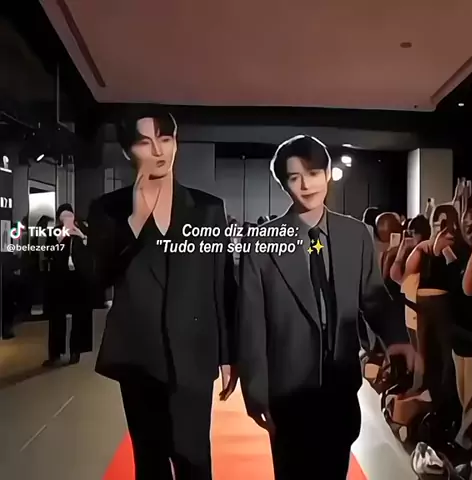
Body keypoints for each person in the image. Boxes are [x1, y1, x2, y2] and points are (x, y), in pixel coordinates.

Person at [237, 135, 417, 480]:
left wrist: (397, 338)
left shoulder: (356, 234)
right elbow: (251, 322)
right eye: (294, 177)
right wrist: (255, 392)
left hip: (340, 386)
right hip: (287, 392)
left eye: (313, 173)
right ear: (283, 183)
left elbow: (374, 296)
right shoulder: (261, 244)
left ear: (327, 174)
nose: (306, 185)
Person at [87, 104, 237, 480]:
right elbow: (95, 280)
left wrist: (229, 353)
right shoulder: (108, 210)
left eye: (165, 139)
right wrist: (135, 223)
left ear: (176, 143)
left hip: (194, 353)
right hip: (138, 357)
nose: (158, 151)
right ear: (128, 152)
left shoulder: (208, 209)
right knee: (150, 463)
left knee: (195, 461)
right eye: (144, 142)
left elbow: (222, 283)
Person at [43, 204, 93, 366]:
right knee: (56, 316)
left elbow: (92, 250)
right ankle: (55, 353)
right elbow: (48, 252)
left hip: (78, 279)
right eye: (63, 216)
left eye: (69, 215)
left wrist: (81, 236)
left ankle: (75, 351)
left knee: (80, 315)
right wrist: (60, 238)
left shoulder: (82, 230)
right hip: (59, 278)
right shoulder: (54, 232)